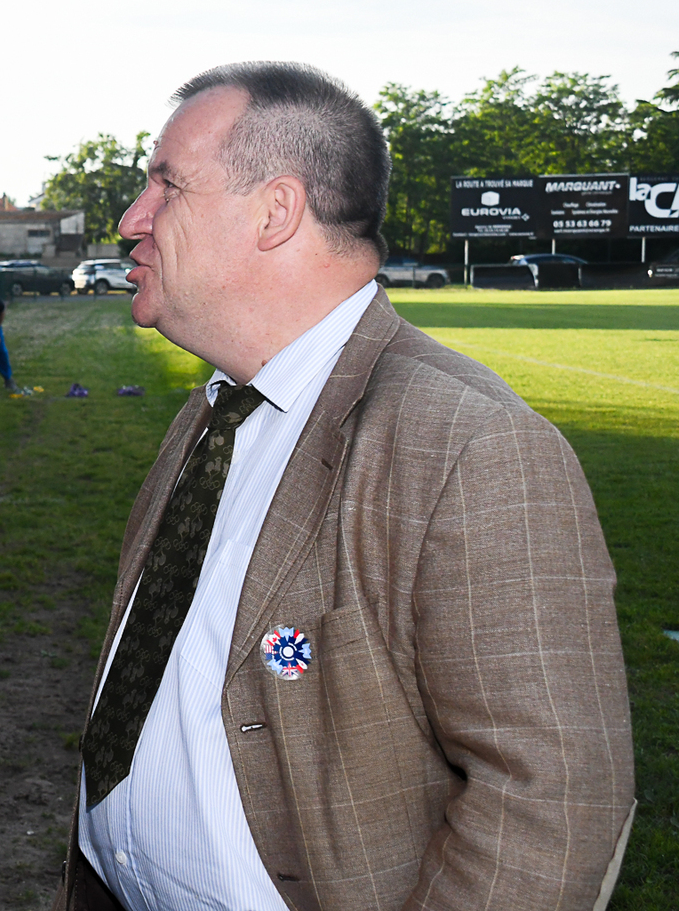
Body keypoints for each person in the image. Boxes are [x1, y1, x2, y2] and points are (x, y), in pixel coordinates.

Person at [55, 63, 635, 911]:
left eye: (166, 185)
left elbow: (552, 802)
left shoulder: (471, 446)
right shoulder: (216, 407)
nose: (131, 219)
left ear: (276, 211)